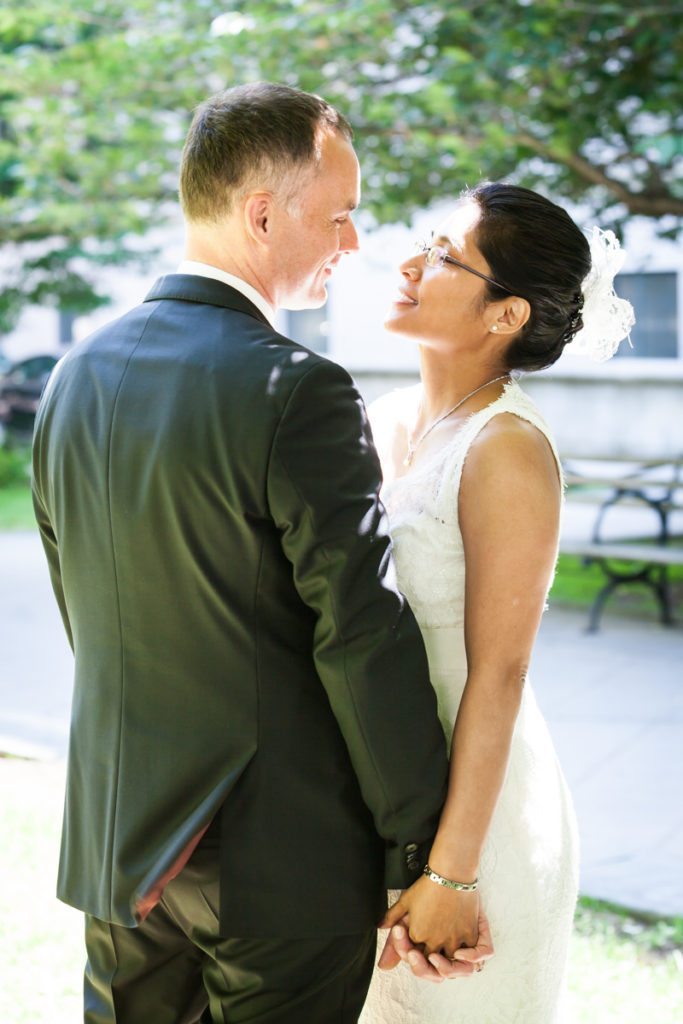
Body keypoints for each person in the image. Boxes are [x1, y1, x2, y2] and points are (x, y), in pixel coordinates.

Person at [31, 83, 459, 1024]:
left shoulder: (74, 375)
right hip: (280, 858)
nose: (352, 244)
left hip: (122, 842)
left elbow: (86, 608)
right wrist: (425, 850)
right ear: (262, 213)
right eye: (340, 216)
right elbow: (359, 630)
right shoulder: (296, 388)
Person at [358, 183, 633, 1023]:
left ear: (505, 315)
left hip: (478, 817)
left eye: (441, 256)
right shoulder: (388, 416)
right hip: (380, 793)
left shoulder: (506, 446)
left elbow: (501, 672)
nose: (408, 264)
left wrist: (451, 874)